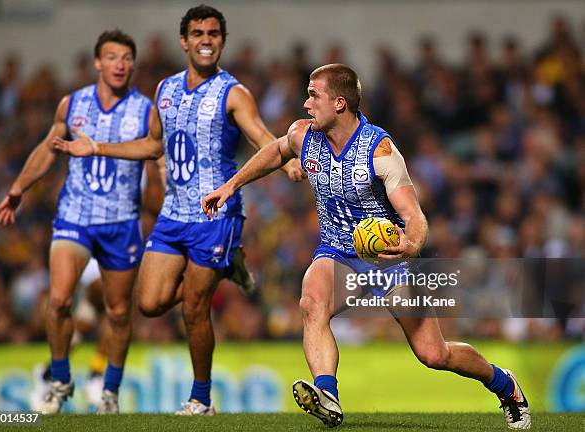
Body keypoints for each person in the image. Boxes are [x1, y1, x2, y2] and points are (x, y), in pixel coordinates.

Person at [201, 64, 531, 429]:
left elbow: (414, 215)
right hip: (337, 253)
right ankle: (328, 395)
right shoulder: (302, 134)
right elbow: (275, 153)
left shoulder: (380, 151)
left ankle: (504, 384)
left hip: (390, 262)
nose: (307, 103)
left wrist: (411, 245)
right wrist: (232, 185)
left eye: (314, 95)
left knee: (435, 354)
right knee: (311, 301)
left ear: (339, 103)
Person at [53, 4, 305, 416]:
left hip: (215, 214)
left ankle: (201, 399)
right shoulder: (166, 90)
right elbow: (154, 146)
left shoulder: (233, 92)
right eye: (198, 34)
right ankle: (227, 267)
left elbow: (261, 134)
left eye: (213, 34)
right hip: (173, 214)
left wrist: (288, 159)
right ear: (184, 41)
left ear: (222, 41)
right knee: (149, 303)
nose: (206, 40)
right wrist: (97, 146)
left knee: (193, 307)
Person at [0, 30, 153, 414]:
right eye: (112, 57)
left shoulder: (146, 110)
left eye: (126, 57)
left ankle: (108, 390)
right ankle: (60, 379)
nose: (120, 64)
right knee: (61, 300)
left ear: (132, 64)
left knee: (116, 311)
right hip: (76, 217)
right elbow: (49, 150)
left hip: (121, 222)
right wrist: (19, 188)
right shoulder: (73, 104)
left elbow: (155, 149)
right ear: (97, 62)